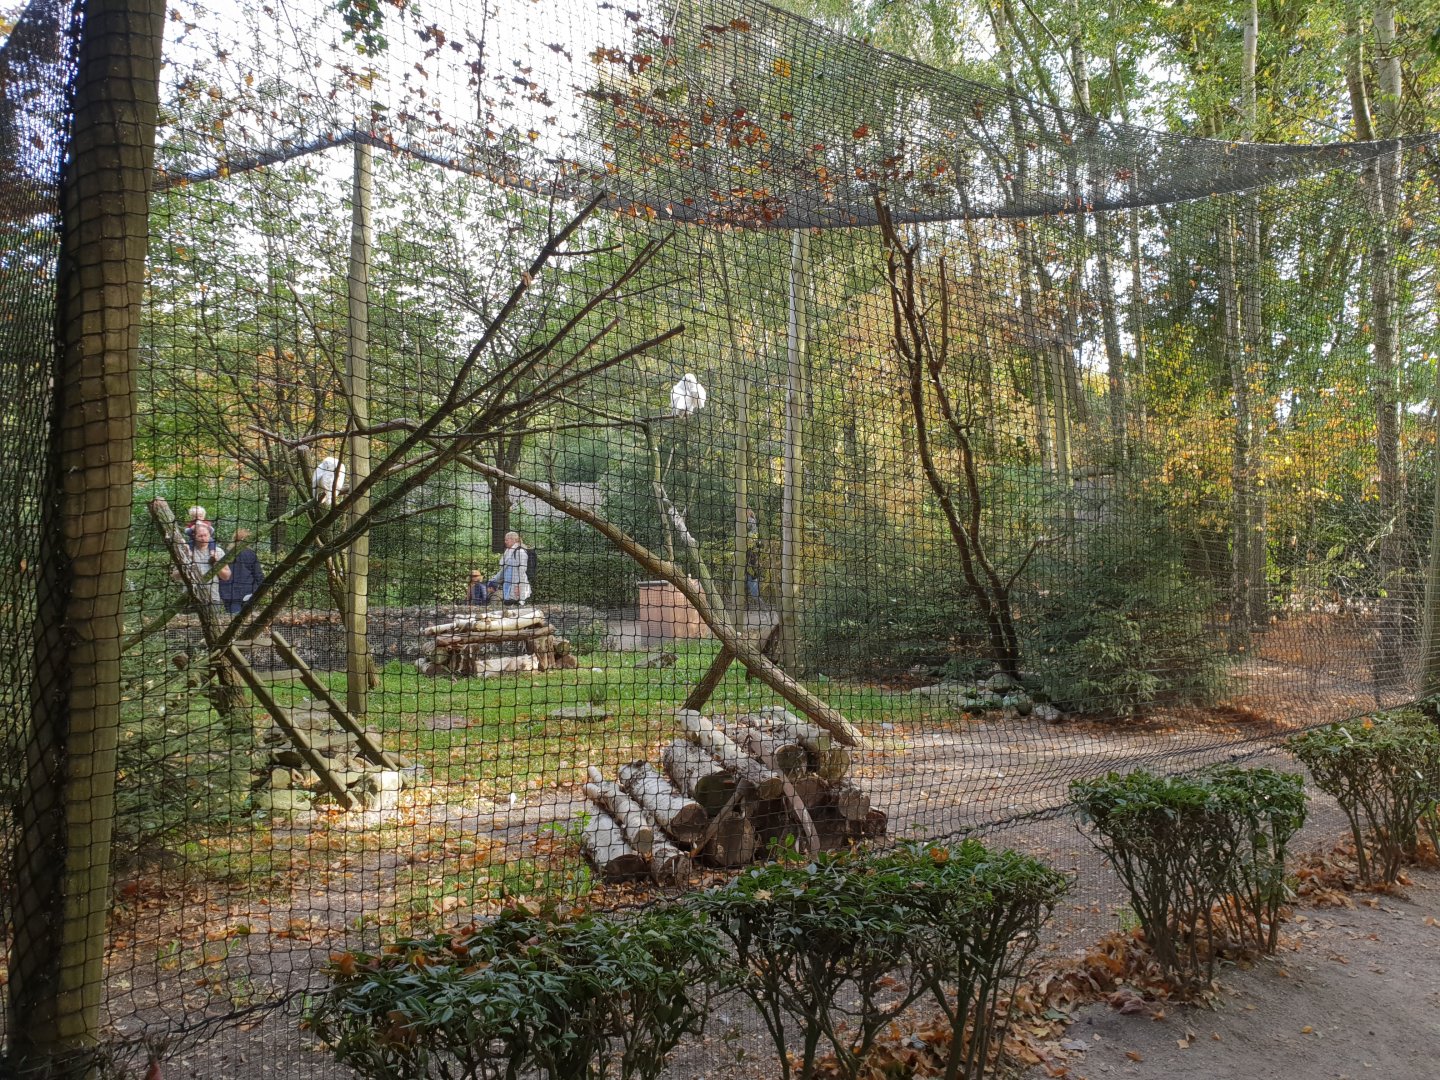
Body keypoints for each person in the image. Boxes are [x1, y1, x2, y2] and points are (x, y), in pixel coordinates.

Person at [176, 518, 230, 611]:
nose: (203, 538)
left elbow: (226, 576)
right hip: (189, 597)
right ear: (194, 536)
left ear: (210, 535)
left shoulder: (218, 551)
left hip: (212, 598)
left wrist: (216, 564)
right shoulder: (186, 551)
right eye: (200, 536)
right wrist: (185, 566)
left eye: (205, 535)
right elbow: (175, 576)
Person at [219, 527, 265, 615]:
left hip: (229, 593)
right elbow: (258, 575)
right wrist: (260, 590)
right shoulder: (250, 554)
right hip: (248, 592)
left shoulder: (225, 554)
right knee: (247, 619)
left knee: (234, 620)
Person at [486, 531, 531, 605]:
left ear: (513, 540)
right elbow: (504, 570)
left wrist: (518, 585)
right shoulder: (508, 552)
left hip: (516, 585)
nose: (505, 542)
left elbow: (522, 571)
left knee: (515, 604)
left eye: (507, 540)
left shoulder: (520, 551)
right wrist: (493, 580)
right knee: (507, 604)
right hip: (507, 585)